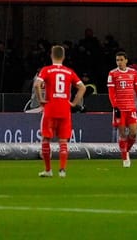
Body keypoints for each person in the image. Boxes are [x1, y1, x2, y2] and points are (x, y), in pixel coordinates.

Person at [34, 44, 85, 178]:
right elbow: (82, 87)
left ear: (51, 55)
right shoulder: (69, 71)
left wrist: (40, 99)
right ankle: (62, 170)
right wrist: (74, 103)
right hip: (64, 109)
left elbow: (37, 85)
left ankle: (48, 170)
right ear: (63, 57)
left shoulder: (46, 70)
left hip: (50, 108)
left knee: (46, 139)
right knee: (63, 141)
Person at [107, 50, 137, 168]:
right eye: (117, 60)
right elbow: (111, 93)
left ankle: (125, 151)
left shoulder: (133, 73)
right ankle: (125, 159)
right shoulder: (112, 74)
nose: (119, 62)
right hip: (120, 109)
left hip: (131, 108)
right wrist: (115, 107)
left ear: (126, 60)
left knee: (133, 134)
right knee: (122, 134)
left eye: (121, 60)